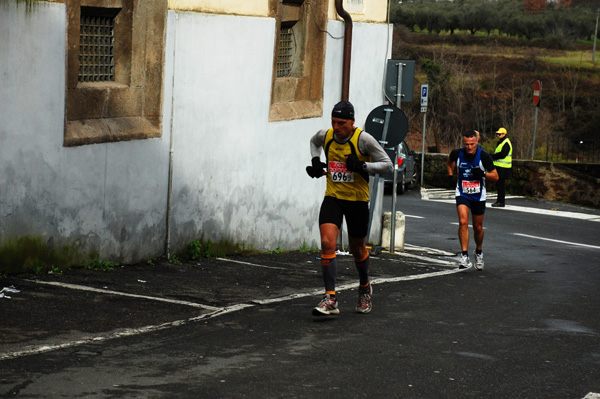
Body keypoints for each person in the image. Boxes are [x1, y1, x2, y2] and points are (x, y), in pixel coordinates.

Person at [306, 101, 393, 316]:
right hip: (333, 197)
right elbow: (314, 141)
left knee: (358, 250)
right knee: (327, 243)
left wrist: (363, 166)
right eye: (334, 122)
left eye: (341, 123)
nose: (336, 127)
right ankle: (330, 298)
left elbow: (388, 165)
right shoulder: (326, 136)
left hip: (357, 201)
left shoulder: (363, 139)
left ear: (352, 122)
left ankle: (365, 288)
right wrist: (316, 161)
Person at [446, 130, 499, 270]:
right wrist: (451, 175)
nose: (469, 147)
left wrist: (483, 174)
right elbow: (449, 163)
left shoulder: (484, 156)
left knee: (478, 227)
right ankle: (464, 255)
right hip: (462, 192)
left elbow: (496, 176)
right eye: (467, 144)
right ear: (463, 143)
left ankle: (479, 251)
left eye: (472, 144)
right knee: (463, 221)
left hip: (478, 194)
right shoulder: (457, 153)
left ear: (477, 142)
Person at [491, 127, 512, 207]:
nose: (498, 135)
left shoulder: (506, 142)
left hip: (503, 167)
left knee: (501, 185)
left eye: (499, 134)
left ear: (504, 134)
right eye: (497, 134)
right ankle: (499, 201)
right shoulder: (502, 142)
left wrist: (493, 156)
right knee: (499, 185)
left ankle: (501, 202)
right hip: (500, 166)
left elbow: (503, 155)